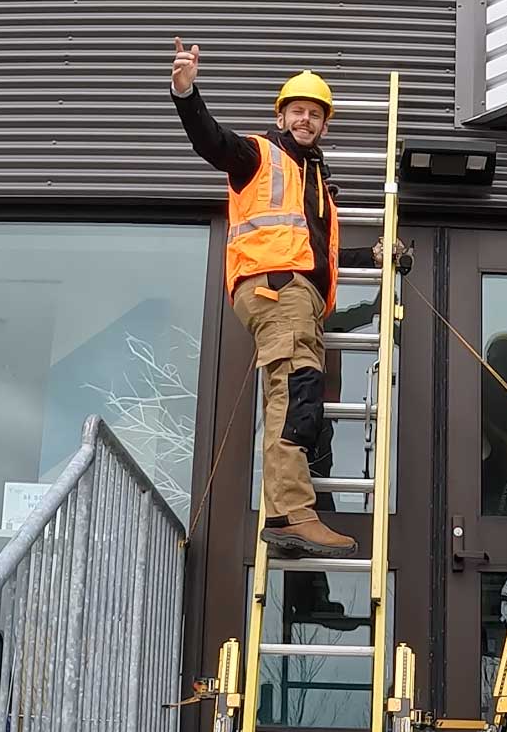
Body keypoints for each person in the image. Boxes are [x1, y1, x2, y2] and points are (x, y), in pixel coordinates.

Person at [170, 37, 410, 559]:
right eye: (297, 111)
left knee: (301, 397)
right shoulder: (259, 155)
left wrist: (377, 259)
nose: (305, 120)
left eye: (315, 114)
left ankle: (289, 516)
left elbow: (316, 255)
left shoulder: (316, 182)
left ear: (324, 124)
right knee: (293, 392)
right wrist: (186, 92)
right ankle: (291, 515)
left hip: (294, 294)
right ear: (282, 117)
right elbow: (212, 142)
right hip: (274, 288)